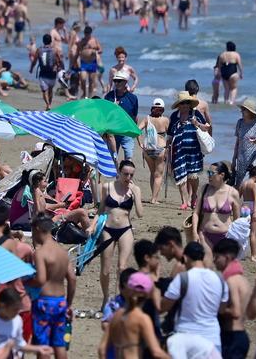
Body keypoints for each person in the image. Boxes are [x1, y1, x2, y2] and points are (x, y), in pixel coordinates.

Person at [90, 160, 143, 308]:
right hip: (108, 229)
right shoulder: (108, 187)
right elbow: (101, 210)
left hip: (125, 229)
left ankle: (121, 298)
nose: (128, 177)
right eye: (125, 174)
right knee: (105, 269)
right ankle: (106, 297)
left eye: (131, 175)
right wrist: (92, 226)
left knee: (122, 267)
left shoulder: (135, 189)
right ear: (119, 173)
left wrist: (135, 195)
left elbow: (140, 214)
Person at [161, 242, 229, 355]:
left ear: (186, 257)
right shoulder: (220, 279)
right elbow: (221, 310)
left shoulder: (183, 278)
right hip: (212, 338)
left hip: (185, 339)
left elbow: (164, 306)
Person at [29, 213, 76, 359]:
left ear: (37, 229)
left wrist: (26, 282)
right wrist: (68, 303)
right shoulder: (62, 252)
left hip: (44, 302)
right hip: (60, 301)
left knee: (43, 345)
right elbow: (72, 278)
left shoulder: (40, 253)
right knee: (59, 344)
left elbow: (41, 279)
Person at [0, 288, 53, 359]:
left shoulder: (17, 320)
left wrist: (39, 349)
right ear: (2, 305)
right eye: (14, 309)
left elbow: (19, 344)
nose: (17, 312)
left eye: (18, 309)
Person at [105, 272, 169, 359]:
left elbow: (102, 348)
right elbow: (156, 352)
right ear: (148, 294)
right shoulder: (142, 318)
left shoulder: (116, 315)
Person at [167, 91, 210, 209]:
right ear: (179, 105)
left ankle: (194, 195)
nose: (185, 105)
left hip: (194, 151)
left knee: (193, 176)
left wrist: (197, 124)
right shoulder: (174, 116)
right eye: (182, 103)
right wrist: (167, 150)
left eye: (187, 103)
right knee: (181, 176)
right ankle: (184, 201)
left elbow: (206, 127)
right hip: (178, 150)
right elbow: (170, 135)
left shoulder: (196, 114)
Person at [192, 161, 240, 260]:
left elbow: (237, 220)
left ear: (222, 175)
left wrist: (236, 240)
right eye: (208, 173)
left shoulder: (233, 193)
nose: (208, 176)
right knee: (206, 265)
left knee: (223, 268)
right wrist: (194, 232)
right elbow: (196, 213)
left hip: (225, 237)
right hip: (205, 235)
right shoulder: (205, 189)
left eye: (211, 173)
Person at [213, 238, 251, 359]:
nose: (214, 261)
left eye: (217, 257)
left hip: (231, 337)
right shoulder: (243, 280)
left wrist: (215, 308)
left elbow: (235, 311)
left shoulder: (230, 281)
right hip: (241, 335)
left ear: (227, 257)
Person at [138, 98, 169, 204]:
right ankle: (154, 199)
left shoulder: (147, 119)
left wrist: (140, 143)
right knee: (158, 175)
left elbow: (137, 130)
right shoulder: (165, 120)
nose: (158, 111)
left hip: (148, 149)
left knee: (153, 173)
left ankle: (153, 196)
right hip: (160, 149)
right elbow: (170, 136)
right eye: (158, 109)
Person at [105, 71, 138, 160]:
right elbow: (105, 115)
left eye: (119, 81)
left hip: (127, 131)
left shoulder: (133, 98)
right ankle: (115, 173)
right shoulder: (109, 96)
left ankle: (125, 173)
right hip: (113, 131)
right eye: (115, 81)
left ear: (125, 82)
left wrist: (135, 132)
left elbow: (134, 117)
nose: (116, 83)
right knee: (112, 158)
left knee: (129, 157)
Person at [29, 33, 63, 111]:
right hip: (52, 73)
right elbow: (59, 60)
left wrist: (31, 69)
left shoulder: (39, 50)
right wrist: (59, 68)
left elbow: (34, 61)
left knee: (44, 90)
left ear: (43, 41)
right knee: (50, 89)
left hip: (43, 73)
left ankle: (47, 104)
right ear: (51, 41)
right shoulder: (55, 50)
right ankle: (49, 104)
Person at [240, 164, 256, 262]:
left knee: (244, 233)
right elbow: (255, 199)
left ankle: (240, 254)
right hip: (252, 207)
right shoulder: (254, 184)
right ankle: (253, 256)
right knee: (253, 233)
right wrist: (255, 212)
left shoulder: (243, 183)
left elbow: (238, 196)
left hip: (244, 206)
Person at [77, 25, 102, 99]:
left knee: (91, 81)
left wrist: (95, 51)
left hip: (92, 62)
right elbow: (78, 52)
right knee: (83, 79)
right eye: (85, 33)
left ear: (90, 33)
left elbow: (100, 50)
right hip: (84, 63)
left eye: (88, 33)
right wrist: (75, 62)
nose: (86, 35)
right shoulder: (82, 41)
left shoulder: (94, 40)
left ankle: (90, 96)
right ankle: (85, 93)